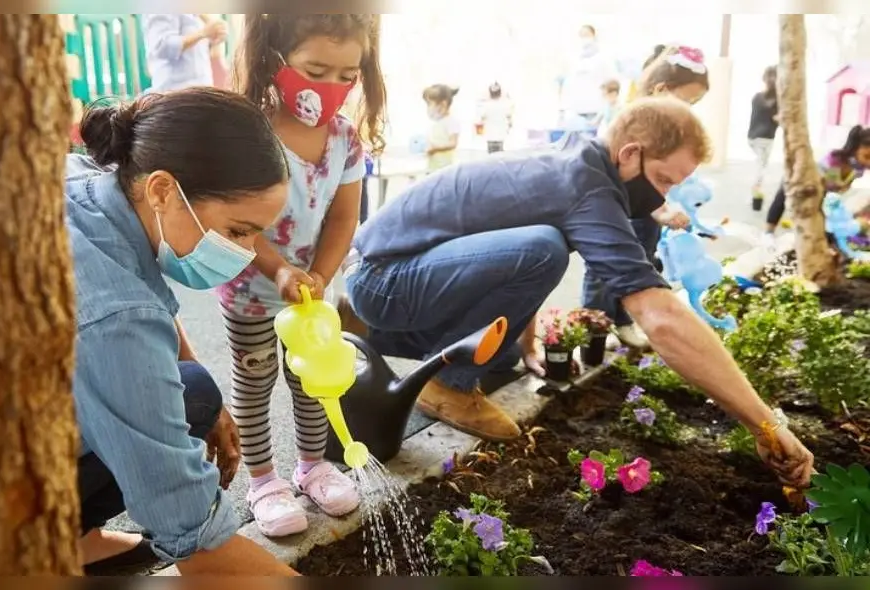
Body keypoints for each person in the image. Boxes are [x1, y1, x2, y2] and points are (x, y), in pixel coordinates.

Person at [337, 97, 814, 490]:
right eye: (663, 180)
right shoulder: (588, 188)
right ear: (630, 153)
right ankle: (448, 385)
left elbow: (495, 233)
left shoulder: (576, 157)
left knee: (505, 343)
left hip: (394, 263)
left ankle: (376, 330)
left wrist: (521, 335)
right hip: (385, 277)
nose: (663, 198)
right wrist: (764, 423)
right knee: (544, 250)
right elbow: (661, 317)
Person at [64, 88, 297, 576]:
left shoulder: (91, 183)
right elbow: (197, 541)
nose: (250, 252)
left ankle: (75, 542)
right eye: (238, 231)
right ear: (164, 190)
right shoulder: (115, 316)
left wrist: (205, 399)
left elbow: (148, 313)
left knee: (192, 392)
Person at [217, 13, 387, 538]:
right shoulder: (250, 133)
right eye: (316, 69)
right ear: (277, 61)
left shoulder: (345, 140)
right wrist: (280, 269)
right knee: (254, 381)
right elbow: (234, 219)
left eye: (346, 74)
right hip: (251, 290)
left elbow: (342, 217)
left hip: (309, 296)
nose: (331, 88)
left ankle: (313, 465)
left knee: (316, 381)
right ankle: (265, 481)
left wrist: (317, 274)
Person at [582, 45, 706, 348]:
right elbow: (630, 180)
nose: (690, 109)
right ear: (662, 89)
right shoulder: (633, 124)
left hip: (649, 213)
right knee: (606, 266)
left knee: (641, 260)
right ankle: (594, 326)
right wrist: (661, 207)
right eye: (688, 100)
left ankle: (623, 321)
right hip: (620, 212)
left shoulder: (671, 129)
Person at [762, 124, 870, 246]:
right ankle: (768, 233)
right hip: (801, 175)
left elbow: (839, 188)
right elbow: (831, 183)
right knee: (782, 198)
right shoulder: (837, 159)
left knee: (819, 215)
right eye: (866, 157)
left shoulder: (859, 169)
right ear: (855, 148)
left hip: (820, 190)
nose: (868, 162)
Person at [141, 14, 228, 92]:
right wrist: (203, 33)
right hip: (175, 92)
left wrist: (214, 34)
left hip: (201, 89)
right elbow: (161, 46)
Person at [557, 25, 619, 124]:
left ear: (593, 36)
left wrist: (609, 101)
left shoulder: (603, 58)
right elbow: (568, 84)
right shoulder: (575, 60)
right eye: (581, 35)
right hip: (578, 108)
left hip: (597, 108)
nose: (584, 38)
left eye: (586, 34)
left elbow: (612, 81)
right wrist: (564, 108)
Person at [749, 66, 780, 212]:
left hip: (752, 136)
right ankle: (756, 194)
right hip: (766, 137)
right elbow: (777, 119)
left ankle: (756, 193)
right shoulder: (777, 101)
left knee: (760, 165)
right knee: (761, 167)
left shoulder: (757, 97)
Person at [423, 84, 461, 172]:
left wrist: (435, 148)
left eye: (429, 104)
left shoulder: (452, 122)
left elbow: (453, 143)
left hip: (445, 169)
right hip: (433, 167)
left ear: (443, 104)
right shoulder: (437, 122)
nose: (428, 108)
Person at [477, 82, 514, 154]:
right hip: (501, 135)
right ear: (500, 93)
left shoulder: (486, 105)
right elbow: (510, 121)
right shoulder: (505, 105)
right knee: (500, 156)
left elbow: (481, 120)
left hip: (490, 135)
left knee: (491, 156)